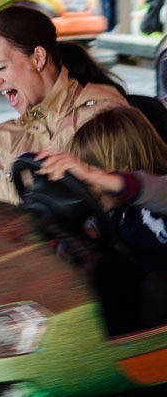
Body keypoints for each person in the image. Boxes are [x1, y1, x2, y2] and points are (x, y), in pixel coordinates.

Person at [0, 5, 131, 204]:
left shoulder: (101, 113)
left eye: (1, 67)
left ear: (38, 58)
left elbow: (121, 209)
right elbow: (4, 212)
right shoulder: (11, 135)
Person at [37, 107, 167, 330]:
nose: (89, 188)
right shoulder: (113, 211)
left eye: (92, 176)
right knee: (102, 269)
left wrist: (97, 177)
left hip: (159, 295)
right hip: (143, 302)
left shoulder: (156, 192)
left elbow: (155, 191)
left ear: (124, 168)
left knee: (158, 286)